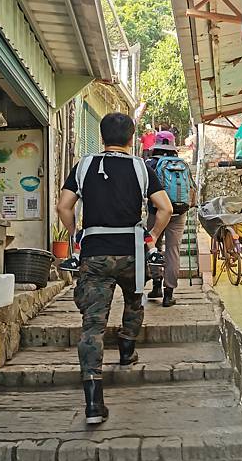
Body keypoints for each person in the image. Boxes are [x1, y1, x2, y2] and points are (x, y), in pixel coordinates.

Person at [57, 113, 172, 425]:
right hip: (132, 252)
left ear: (102, 136)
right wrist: (152, 236)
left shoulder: (84, 165)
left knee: (92, 326)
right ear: (131, 138)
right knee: (135, 301)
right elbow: (165, 208)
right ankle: (126, 348)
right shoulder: (141, 167)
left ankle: (94, 401)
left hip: (94, 254)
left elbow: (63, 206)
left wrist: (75, 234)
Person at [146, 138, 196, 307]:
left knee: (152, 245)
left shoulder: (150, 164)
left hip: (157, 212)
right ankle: (169, 294)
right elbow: (192, 189)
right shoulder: (183, 164)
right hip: (179, 212)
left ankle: (156, 286)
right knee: (173, 251)